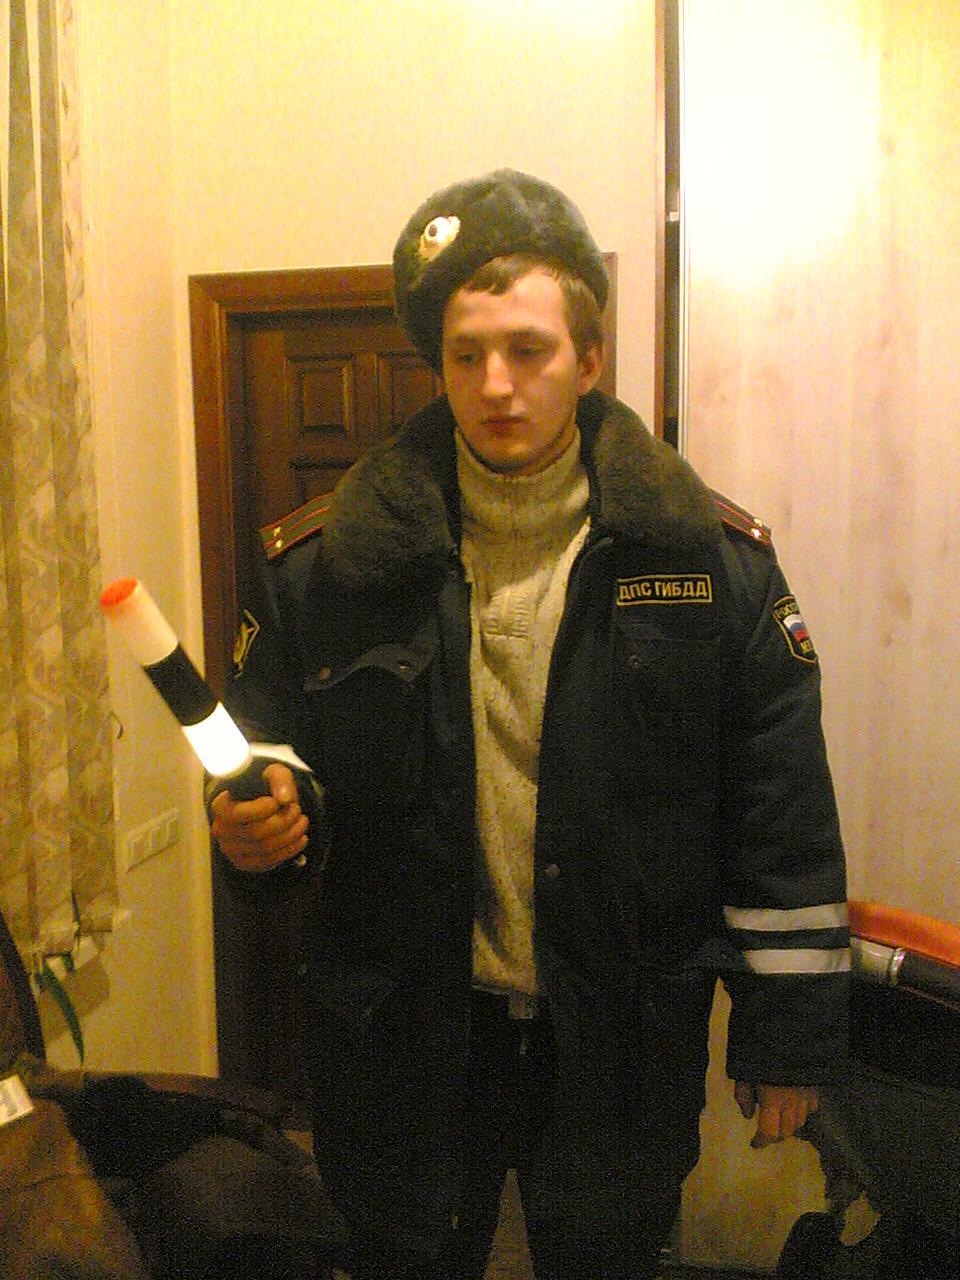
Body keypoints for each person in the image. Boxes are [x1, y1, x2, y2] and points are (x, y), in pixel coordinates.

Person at [208, 169, 849, 1280]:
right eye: (466, 355)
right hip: (404, 1035)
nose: (495, 384)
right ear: (439, 363)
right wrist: (260, 825)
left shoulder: (706, 564)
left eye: (529, 350)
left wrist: (785, 1030)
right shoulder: (327, 566)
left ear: (589, 358)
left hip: (615, 1038)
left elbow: (778, 803)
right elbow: (267, 756)